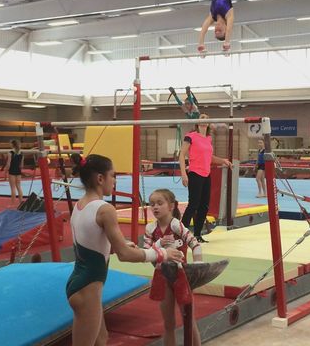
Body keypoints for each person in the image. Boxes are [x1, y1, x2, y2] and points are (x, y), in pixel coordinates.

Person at [67, 154, 183, 346]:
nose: (115, 180)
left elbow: (89, 241)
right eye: (113, 175)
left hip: (81, 283)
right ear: (100, 178)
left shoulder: (79, 205)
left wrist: (115, 245)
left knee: (101, 339)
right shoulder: (105, 209)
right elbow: (125, 255)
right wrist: (162, 254)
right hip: (87, 288)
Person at [144, 189, 203, 346]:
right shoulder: (150, 229)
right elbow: (145, 253)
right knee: (168, 324)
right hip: (162, 276)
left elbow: (196, 245)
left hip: (181, 277)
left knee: (189, 320)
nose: (155, 207)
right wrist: (158, 244)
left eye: (159, 203)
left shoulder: (176, 225)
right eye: (152, 204)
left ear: (171, 206)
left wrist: (197, 268)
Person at [179, 113, 233, 243]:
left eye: (206, 119)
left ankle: (197, 235)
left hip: (206, 174)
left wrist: (223, 161)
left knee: (204, 206)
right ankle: (181, 234)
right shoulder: (190, 136)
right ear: (197, 122)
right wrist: (183, 174)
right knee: (193, 205)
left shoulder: (208, 139)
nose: (204, 120)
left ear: (208, 124)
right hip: (195, 173)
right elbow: (181, 155)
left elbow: (210, 158)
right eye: (201, 118)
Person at [5, 139, 24, 206]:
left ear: (13, 144)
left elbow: (8, 164)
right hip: (18, 171)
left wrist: (5, 170)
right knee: (19, 186)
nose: (9, 144)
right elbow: (21, 165)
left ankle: (12, 204)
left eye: (10, 143)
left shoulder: (10, 153)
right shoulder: (21, 153)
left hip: (12, 171)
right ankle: (21, 202)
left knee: (13, 188)